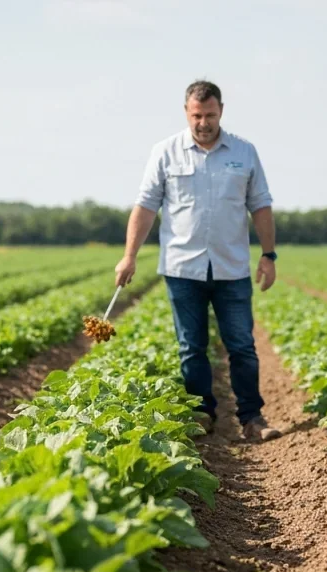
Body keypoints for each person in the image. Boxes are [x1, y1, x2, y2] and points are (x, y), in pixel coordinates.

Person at [114, 80, 282, 441]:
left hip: (231, 266)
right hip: (182, 268)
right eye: (196, 115)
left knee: (241, 346)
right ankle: (202, 414)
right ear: (186, 112)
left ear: (221, 111)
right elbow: (145, 206)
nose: (203, 122)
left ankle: (252, 420)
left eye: (210, 114)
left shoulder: (244, 152)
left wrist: (268, 255)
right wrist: (129, 256)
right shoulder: (165, 152)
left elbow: (261, 206)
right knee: (192, 347)